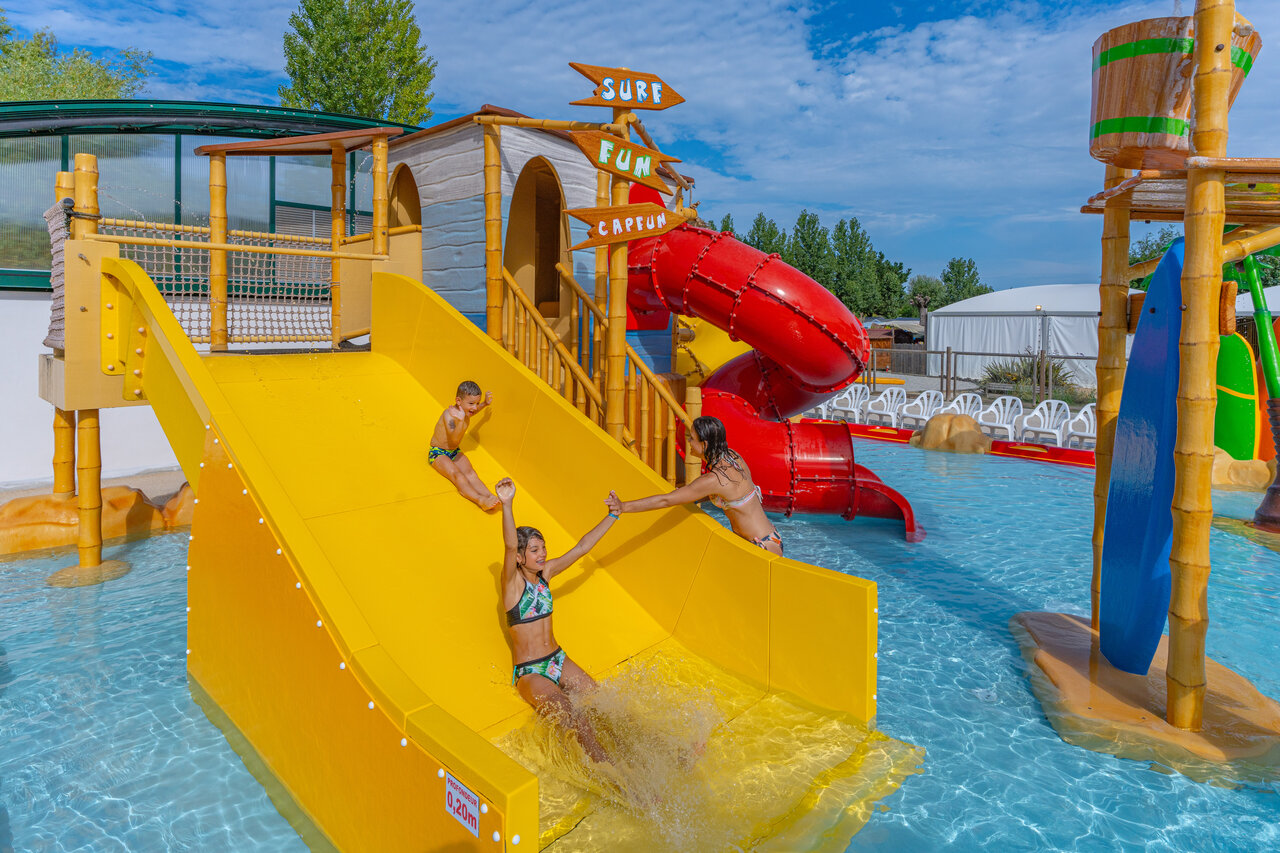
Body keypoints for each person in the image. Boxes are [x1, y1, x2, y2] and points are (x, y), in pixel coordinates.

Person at [496, 477, 618, 763]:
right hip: (531, 672)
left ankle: (641, 752)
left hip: (558, 659)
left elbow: (581, 548)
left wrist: (613, 515)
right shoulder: (512, 585)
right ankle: (613, 774)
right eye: (534, 550)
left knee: (604, 705)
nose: (542, 554)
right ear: (520, 558)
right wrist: (507, 504)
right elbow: (510, 546)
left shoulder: (546, 575)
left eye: (543, 548)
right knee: (575, 718)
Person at [607, 415, 782, 555]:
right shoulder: (733, 457)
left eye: (692, 438)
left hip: (761, 547)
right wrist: (692, 495)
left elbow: (665, 500)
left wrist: (623, 506)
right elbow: (731, 494)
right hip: (771, 538)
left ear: (704, 444)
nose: (689, 441)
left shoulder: (714, 479)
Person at [429, 380, 498, 510]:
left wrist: (484, 403)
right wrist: (460, 420)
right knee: (458, 475)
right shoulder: (449, 417)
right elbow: (454, 440)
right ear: (458, 401)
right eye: (471, 403)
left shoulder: (465, 412)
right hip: (438, 453)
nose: (474, 407)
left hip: (454, 451)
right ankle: (480, 500)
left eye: (477, 403)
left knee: (470, 473)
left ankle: (489, 496)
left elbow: (474, 412)